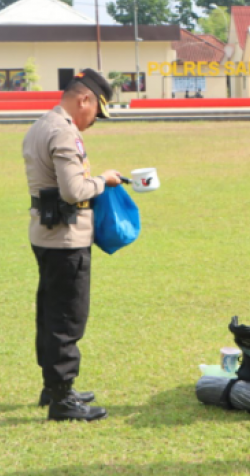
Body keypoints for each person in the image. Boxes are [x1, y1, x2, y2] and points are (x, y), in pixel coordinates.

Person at [22, 69, 122, 422]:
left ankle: (53, 388)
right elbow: (73, 190)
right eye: (96, 110)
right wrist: (104, 180)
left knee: (50, 312)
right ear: (84, 99)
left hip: (46, 233)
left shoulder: (41, 124)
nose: (94, 120)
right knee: (67, 318)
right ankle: (62, 399)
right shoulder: (64, 133)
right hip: (66, 238)